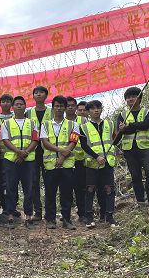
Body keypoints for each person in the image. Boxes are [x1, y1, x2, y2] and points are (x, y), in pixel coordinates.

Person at [40, 95, 80, 230]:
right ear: (53, 107)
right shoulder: (45, 124)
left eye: (61, 106)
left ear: (65, 108)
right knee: (50, 193)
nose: (59, 108)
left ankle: (67, 220)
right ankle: (50, 220)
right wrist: (60, 150)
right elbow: (45, 142)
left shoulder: (73, 124)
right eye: (56, 106)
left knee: (66, 193)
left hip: (67, 165)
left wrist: (62, 157)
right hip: (50, 165)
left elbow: (73, 141)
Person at [1, 96, 39, 229]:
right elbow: (5, 140)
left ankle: (28, 217)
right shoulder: (6, 123)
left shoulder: (32, 122)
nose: (19, 106)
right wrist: (18, 152)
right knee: (11, 188)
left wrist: (24, 154)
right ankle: (10, 216)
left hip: (28, 160)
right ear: (12, 107)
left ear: (25, 106)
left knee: (28, 188)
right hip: (11, 160)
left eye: (21, 104)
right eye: (16, 104)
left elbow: (35, 140)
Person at [116, 86, 149, 204]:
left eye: (133, 96)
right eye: (128, 97)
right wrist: (132, 127)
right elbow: (120, 131)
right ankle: (140, 201)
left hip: (146, 148)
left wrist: (129, 126)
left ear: (139, 98)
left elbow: (146, 124)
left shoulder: (148, 111)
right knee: (135, 176)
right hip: (129, 150)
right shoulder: (122, 115)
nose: (130, 99)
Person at [81, 100, 118, 228]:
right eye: (92, 109)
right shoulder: (84, 127)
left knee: (109, 189)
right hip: (92, 163)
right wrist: (96, 156)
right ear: (87, 112)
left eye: (98, 108)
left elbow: (114, 140)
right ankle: (89, 217)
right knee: (90, 189)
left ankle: (109, 216)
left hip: (108, 161)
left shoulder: (110, 124)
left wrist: (122, 131)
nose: (96, 110)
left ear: (102, 109)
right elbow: (84, 145)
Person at [25, 86, 52, 222]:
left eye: (41, 92)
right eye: (36, 92)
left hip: (49, 151)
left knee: (49, 182)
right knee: (34, 182)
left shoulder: (52, 112)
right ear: (33, 96)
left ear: (46, 95)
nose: (38, 94)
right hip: (33, 151)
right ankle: (38, 212)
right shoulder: (28, 113)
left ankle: (49, 212)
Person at [66, 96, 87, 224]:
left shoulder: (83, 120)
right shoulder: (60, 121)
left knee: (81, 188)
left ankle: (82, 214)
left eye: (72, 105)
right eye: (67, 105)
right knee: (66, 189)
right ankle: (66, 214)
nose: (70, 107)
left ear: (76, 106)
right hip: (66, 159)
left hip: (81, 159)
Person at [0, 93, 15, 214]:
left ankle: (12, 207)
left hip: (13, 154)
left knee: (12, 181)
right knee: (1, 182)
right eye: (3, 101)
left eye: (8, 101)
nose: (6, 103)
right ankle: (4, 206)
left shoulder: (16, 117)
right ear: (0, 103)